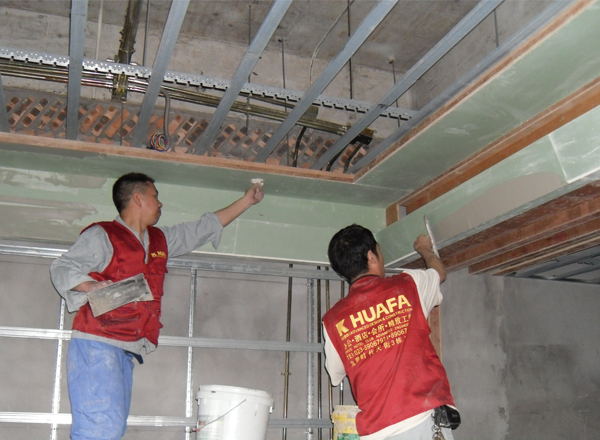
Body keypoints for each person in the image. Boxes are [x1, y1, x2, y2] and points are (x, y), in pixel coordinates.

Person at [50, 172, 264, 440]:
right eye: (155, 196)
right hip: (97, 342)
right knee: (101, 429)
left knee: (110, 428)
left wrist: (247, 201)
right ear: (138, 199)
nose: (160, 203)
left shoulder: (159, 240)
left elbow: (201, 229)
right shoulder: (103, 235)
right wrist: (89, 286)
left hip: (125, 348)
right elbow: (63, 266)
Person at [322, 224, 458, 440]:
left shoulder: (332, 320)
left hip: (375, 433)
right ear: (371, 257)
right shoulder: (409, 285)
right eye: (380, 251)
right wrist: (424, 249)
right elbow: (438, 272)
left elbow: (336, 374)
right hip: (419, 422)